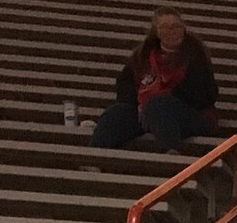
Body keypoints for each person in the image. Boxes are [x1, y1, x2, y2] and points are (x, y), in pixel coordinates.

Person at [89, 9, 218, 152]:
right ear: (156, 32)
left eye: (176, 26)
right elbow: (125, 86)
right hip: (147, 112)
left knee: (158, 104)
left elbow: (207, 94)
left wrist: (165, 99)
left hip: (190, 114)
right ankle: (93, 156)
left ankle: (171, 153)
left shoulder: (195, 56)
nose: (171, 31)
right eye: (165, 27)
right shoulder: (142, 57)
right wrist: (141, 105)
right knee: (118, 111)